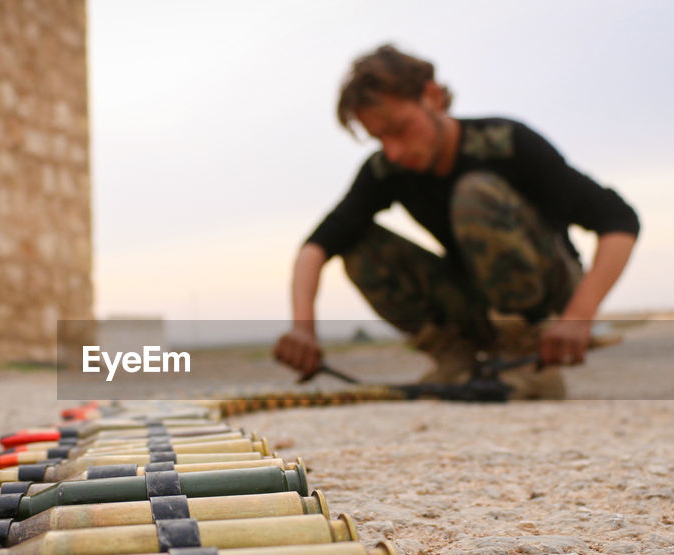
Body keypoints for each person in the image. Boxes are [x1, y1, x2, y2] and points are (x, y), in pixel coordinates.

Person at [272, 44, 640, 398]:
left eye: (400, 129)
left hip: (552, 296)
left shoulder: (506, 142)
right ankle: (456, 359)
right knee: (356, 241)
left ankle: (528, 363)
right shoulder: (385, 171)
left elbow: (619, 220)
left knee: (474, 193)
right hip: (476, 303)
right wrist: (303, 330)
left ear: (431, 96)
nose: (394, 151)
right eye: (380, 139)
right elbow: (315, 247)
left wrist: (579, 316)